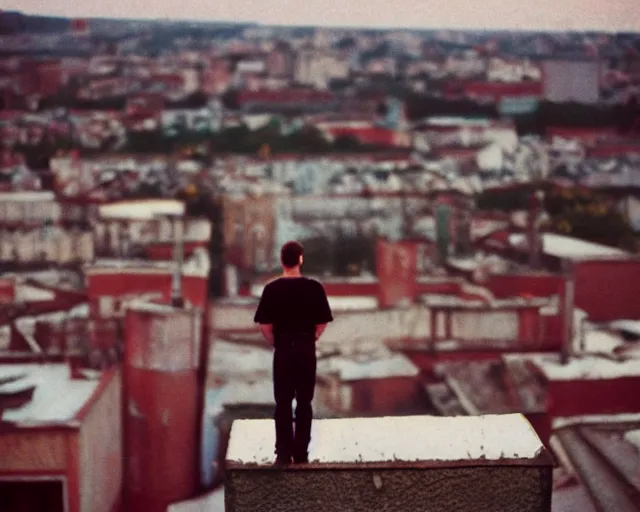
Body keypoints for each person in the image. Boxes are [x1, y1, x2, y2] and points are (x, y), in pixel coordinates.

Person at [254, 240, 333, 465]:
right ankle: (301, 452)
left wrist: (276, 342)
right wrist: (312, 337)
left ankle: (282, 452)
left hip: (284, 350)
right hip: (305, 349)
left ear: (282, 260)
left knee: (283, 403)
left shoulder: (272, 289)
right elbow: (322, 322)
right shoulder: (314, 287)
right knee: (305, 402)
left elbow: (265, 325)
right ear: (300, 259)